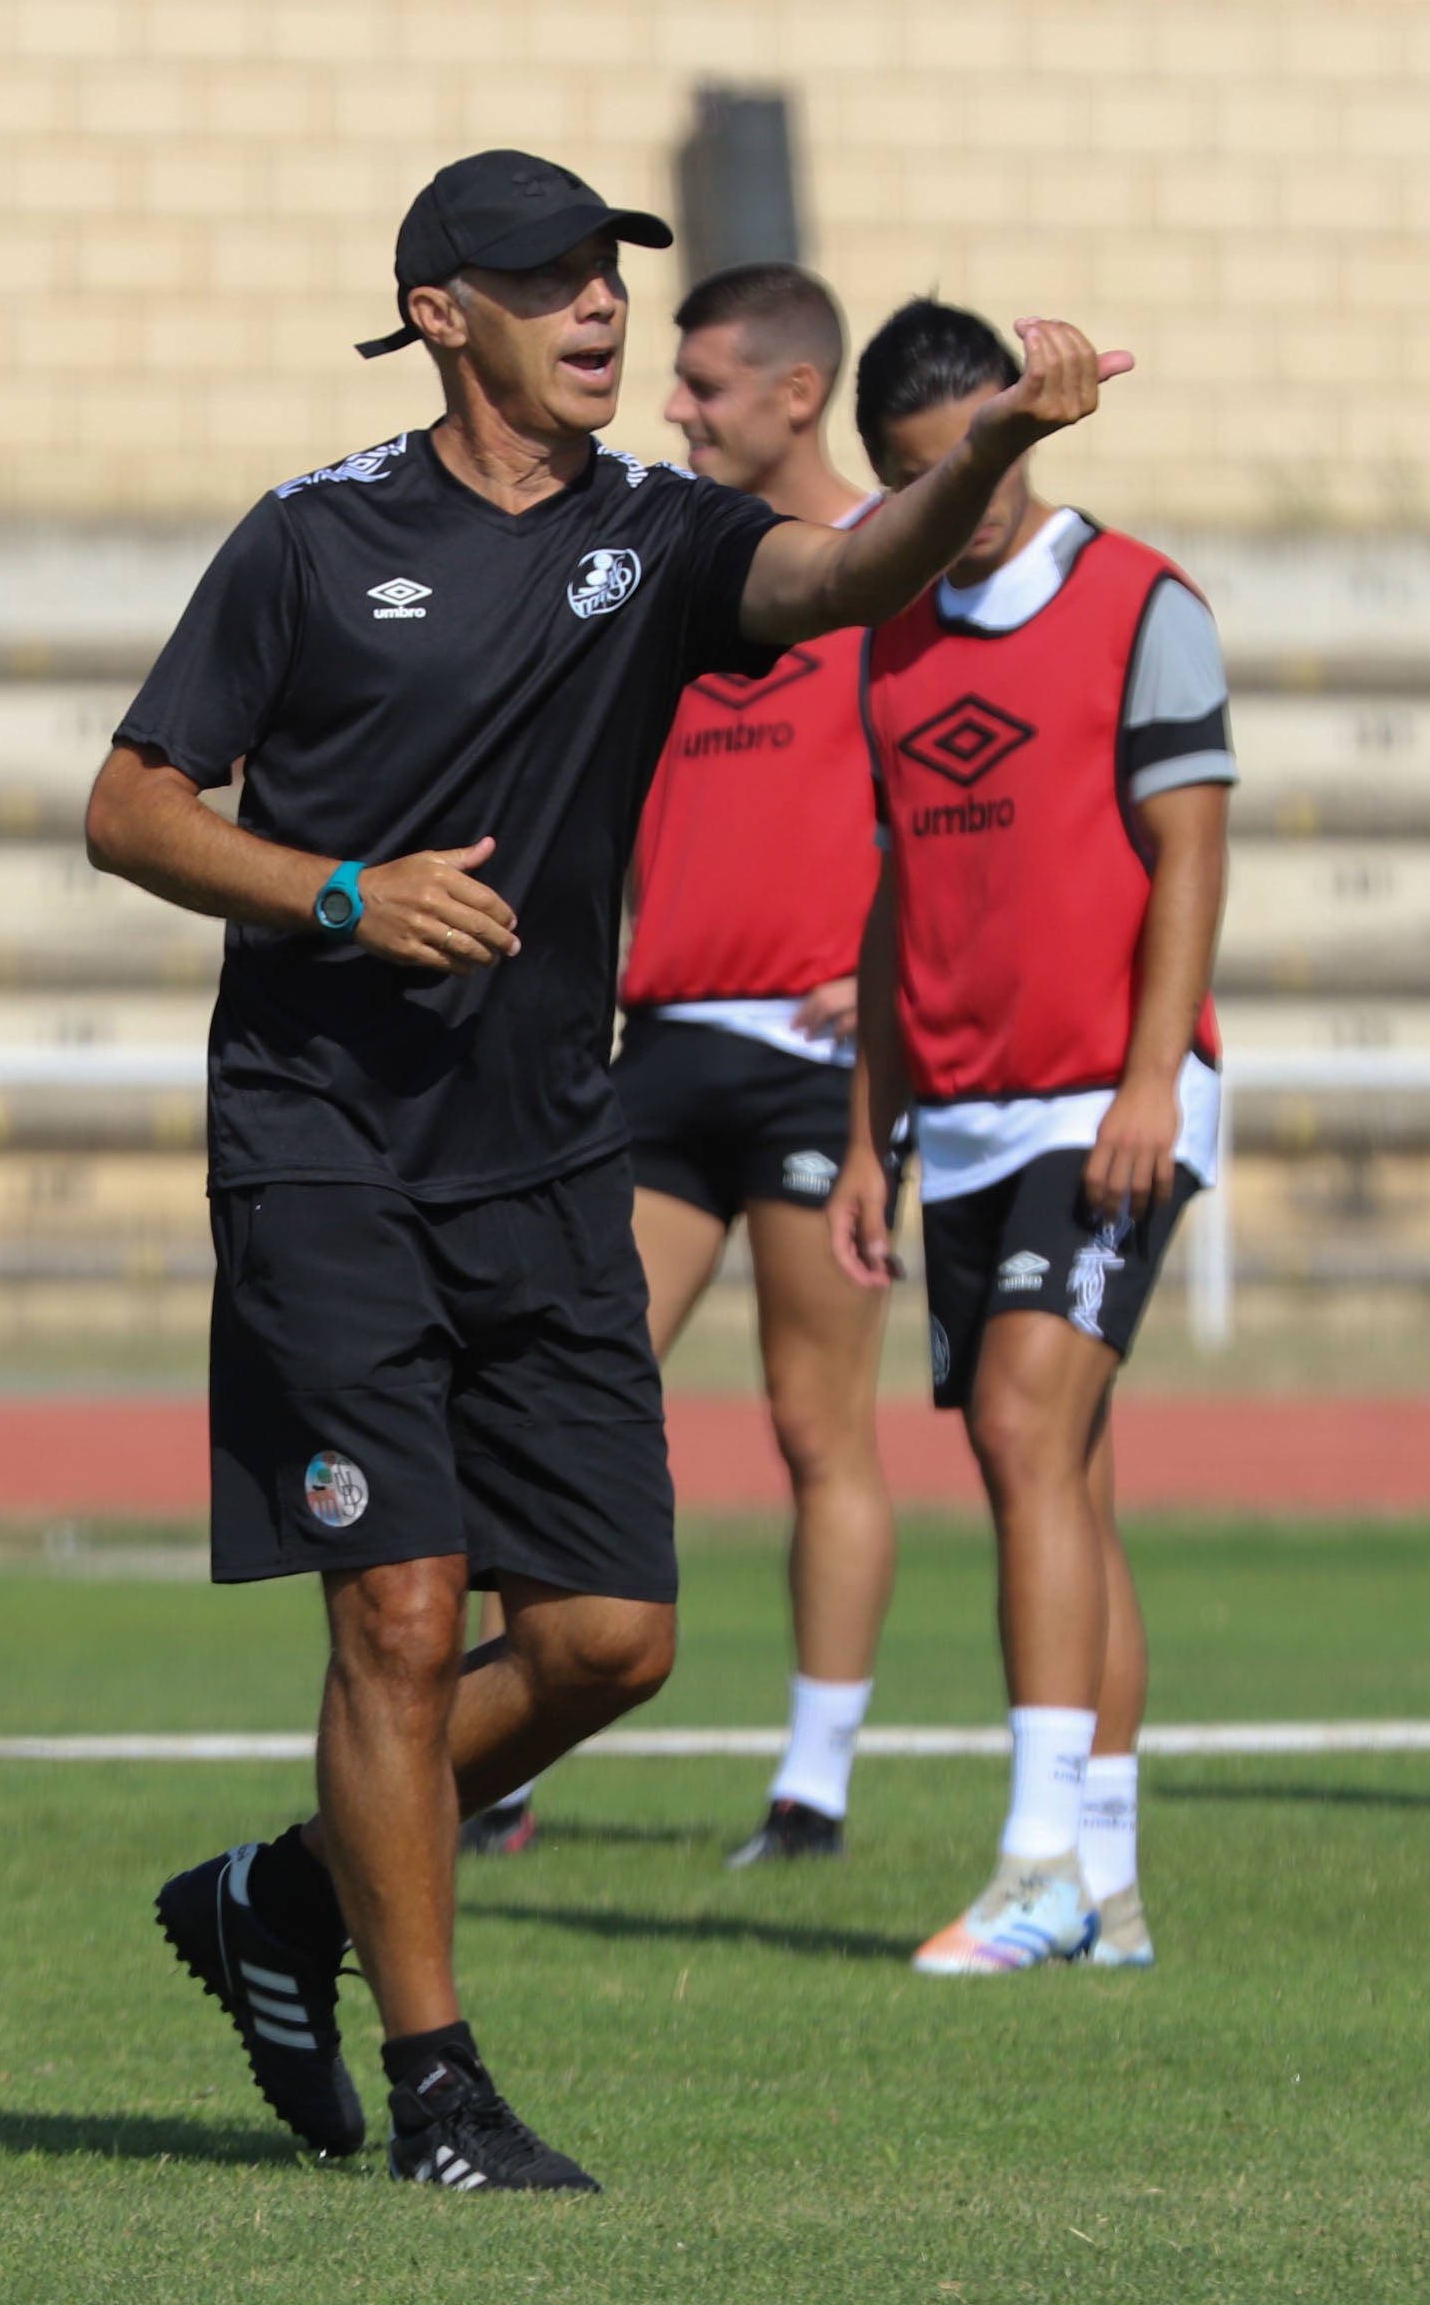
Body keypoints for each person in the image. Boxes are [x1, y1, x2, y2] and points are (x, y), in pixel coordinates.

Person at [87, 152, 1127, 2190]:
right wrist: (337, 896)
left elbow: (837, 583)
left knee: (611, 1638)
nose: (596, 310)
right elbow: (130, 805)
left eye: (608, 278)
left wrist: (992, 440)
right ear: (436, 310)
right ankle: (440, 2089)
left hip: (551, 1143)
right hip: (322, 1151)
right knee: (393, 1614)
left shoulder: (659, 535)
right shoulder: (309, 540)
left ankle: (283, 1894)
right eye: (549, 279)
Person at [461, 261, 902, 1873]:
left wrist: (889, 994)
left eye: (705, 384)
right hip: (653, 1053)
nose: (671, 406)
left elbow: (931, 827)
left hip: (805, 1062)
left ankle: (814, 1790)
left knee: (814, 1425)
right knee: (552, 1398)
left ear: (797, 394)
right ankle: (502, 1760)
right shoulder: (654, 571)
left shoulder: (877, 583)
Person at [825, 301, 1233, 1976]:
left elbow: (1192, 857)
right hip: (970, 1115)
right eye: (927, 471)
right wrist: (871, 1130)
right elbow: (896, 890)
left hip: (1108, 1101)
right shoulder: (889, 633)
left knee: (1014, 1427)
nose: (969, 492)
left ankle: (1039, 1861)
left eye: (986, 453)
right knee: (1063, 1477)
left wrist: (1151, 1079)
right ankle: (1111, 1891)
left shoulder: (1146, 604)